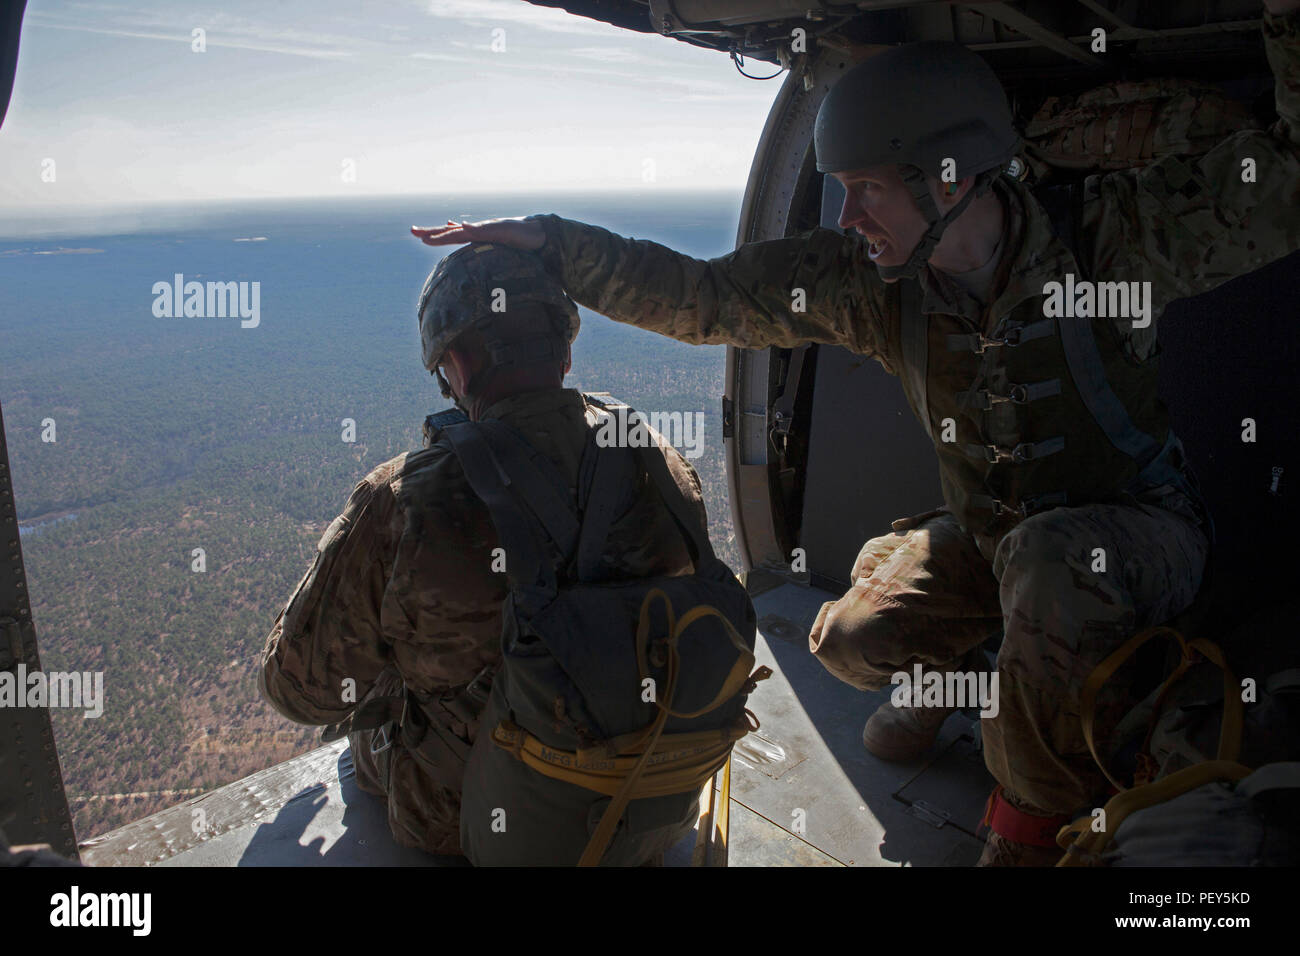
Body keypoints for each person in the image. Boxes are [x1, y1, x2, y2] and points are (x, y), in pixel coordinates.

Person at [411, 2, 1300, 865]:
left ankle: (1026, 827)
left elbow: (1286, 183)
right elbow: (706, 297)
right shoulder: (869, 287)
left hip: (1142, 532)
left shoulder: (1118, 241)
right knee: (848, 641)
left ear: (948, 179)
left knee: (1048, 563)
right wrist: (552, 246)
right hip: (1001, 543)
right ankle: (989, 674)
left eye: (868, 190)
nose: (846, 219)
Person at [259, 242, 709, 858]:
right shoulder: (662, 462)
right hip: (650, 793)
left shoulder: (405, 499)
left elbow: (299, 690)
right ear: (566, 349)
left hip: (470, 819)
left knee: (362, 739)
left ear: (455, 363)